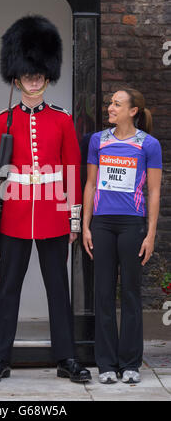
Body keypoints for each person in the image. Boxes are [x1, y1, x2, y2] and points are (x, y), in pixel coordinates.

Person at [0, 15, 91, 384]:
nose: (34, 79)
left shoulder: (61, 120)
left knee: (58, 289)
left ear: (47, 75)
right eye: (28, 74)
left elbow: (72, 169)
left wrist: (74, 218)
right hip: (13, 216)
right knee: (7, 288)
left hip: (53, 217)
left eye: (40, 74)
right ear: (18, 76)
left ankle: (66, 358)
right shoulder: (3, 121)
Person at [83, 88, 162, 384]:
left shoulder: (148, 145)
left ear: (133, 111)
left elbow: (154, 192)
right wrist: (86, 225)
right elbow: (91, 185)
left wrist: (150, 233)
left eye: (117, 104)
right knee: (103, 293)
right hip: (102, 224)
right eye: (110, 103)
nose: (110, 108)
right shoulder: (98, 140)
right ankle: (105, 364)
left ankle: (130, 363)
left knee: (130, 294)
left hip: (132, 225)